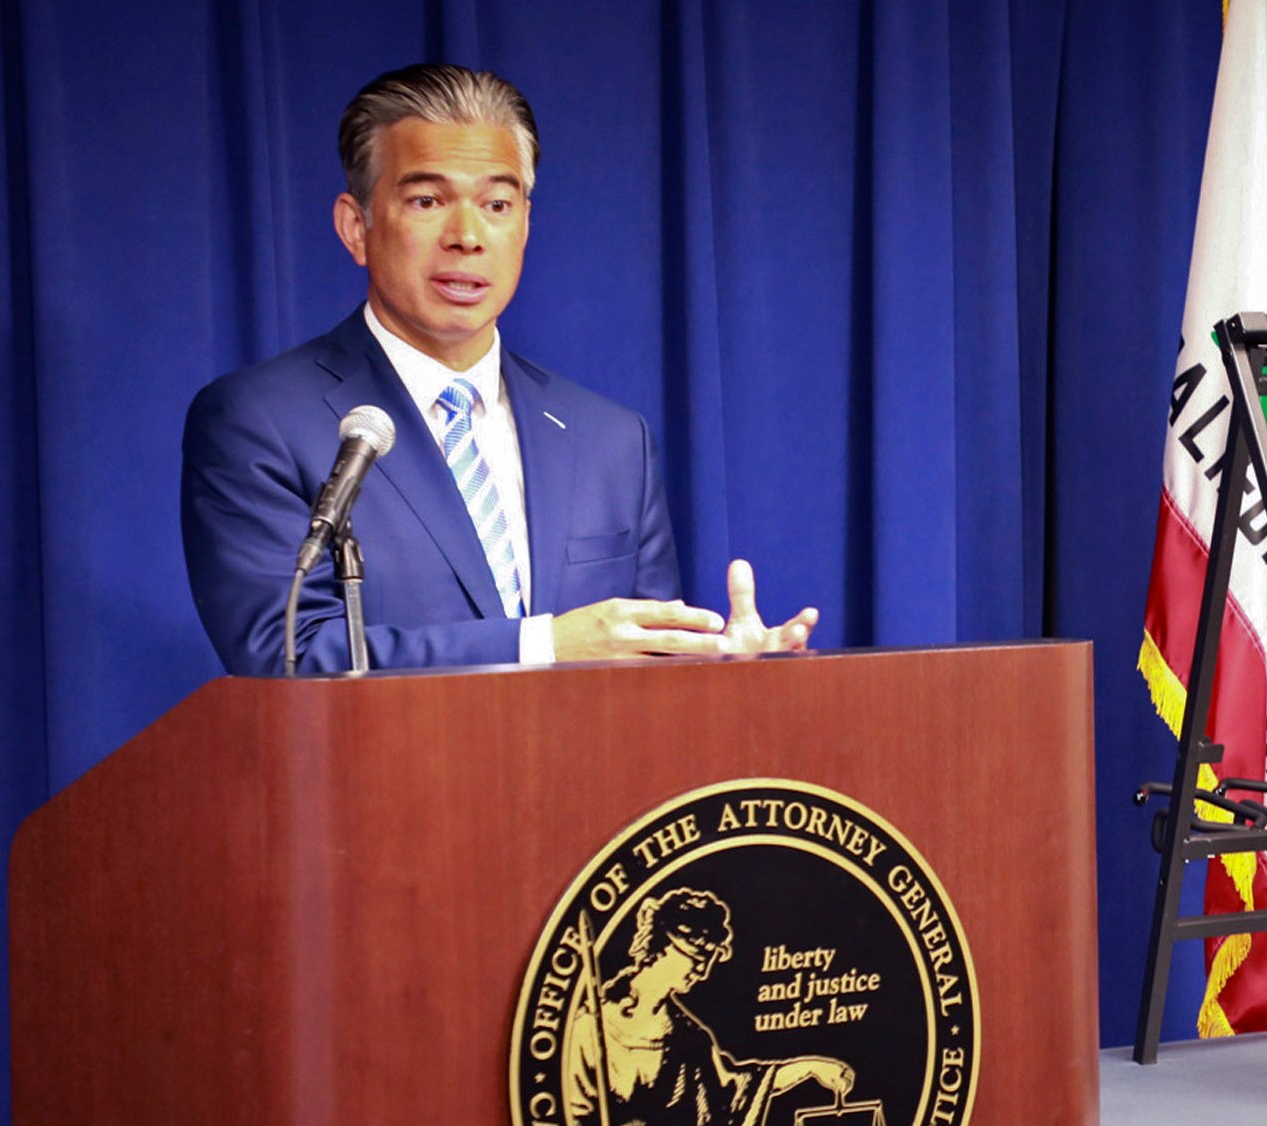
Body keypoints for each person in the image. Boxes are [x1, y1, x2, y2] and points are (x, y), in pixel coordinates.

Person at [182, 63, 815, 674]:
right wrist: (545, 643)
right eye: (428, 200)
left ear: (526, 224)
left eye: (497, 205)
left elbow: (638, 672)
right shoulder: (262, 421)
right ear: (357, 227)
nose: (467, 235)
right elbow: (288, 655)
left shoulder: (612, 442)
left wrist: (723, 673)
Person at [567, 888, 855, 1126]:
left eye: (709, 959)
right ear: (663, 944)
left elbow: (737, 1089)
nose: (702, 970)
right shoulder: (591, 1030)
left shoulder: (688, 1037)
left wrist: (807, 1069)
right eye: (696, 955)